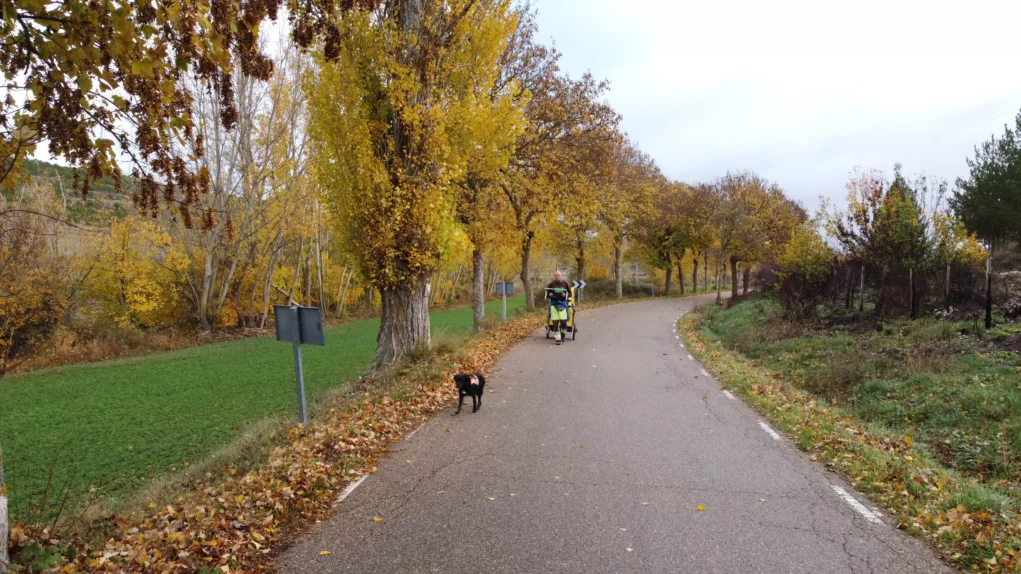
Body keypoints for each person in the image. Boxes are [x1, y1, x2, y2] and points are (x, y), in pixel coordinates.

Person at [546, 268, 572, 344]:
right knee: (555, 322)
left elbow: (570, 293)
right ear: (554, 276)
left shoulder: (565, 283)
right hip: (553, 304)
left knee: (563, 322)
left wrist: (565, 294)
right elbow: (547, 293)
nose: (557, 276)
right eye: (556, 275)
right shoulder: (551, 284)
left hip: (562, 303)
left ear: (561, 275)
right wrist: (549, 294)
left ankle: (563, 335)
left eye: (559, 275)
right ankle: (558, 339)